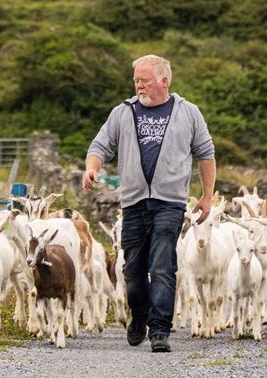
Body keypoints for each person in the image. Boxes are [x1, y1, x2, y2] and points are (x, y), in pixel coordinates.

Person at [83, 54, 216, 352]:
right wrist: (92, 167)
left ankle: (159, 330)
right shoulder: (123, 112)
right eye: (136, 80)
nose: (138, 86)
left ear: (163, 81)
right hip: (132, 203)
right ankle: (140, 315)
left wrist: (207, 197)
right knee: (131, 270)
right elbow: (100, 145)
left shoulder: (189, 112)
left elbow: (206, 154)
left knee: (162, 265)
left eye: (144, 80)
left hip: (170, 203)